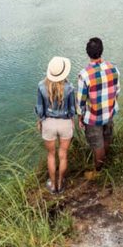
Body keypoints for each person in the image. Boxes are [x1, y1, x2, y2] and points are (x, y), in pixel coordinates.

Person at [77, 37, 119, 178]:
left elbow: (81, 101)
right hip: (109, 112)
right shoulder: (113, 69)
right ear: (101, 51)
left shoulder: (84, 75)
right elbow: (117, 92)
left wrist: (80, 116)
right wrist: (111, 106)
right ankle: (105, 163)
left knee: (97, 145)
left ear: (88, 53)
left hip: (94, 117)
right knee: (106, 138)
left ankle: (99, 172)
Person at [36, 56, 76, 194]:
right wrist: (71, 120)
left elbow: (40, 109)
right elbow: (72, 110)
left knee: (51, 155)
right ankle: (61, 184)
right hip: (65, 123)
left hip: (49, 124)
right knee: (63, 155)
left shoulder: (41, 86)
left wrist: (41, 121)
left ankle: (53, 186)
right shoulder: (69, 87)